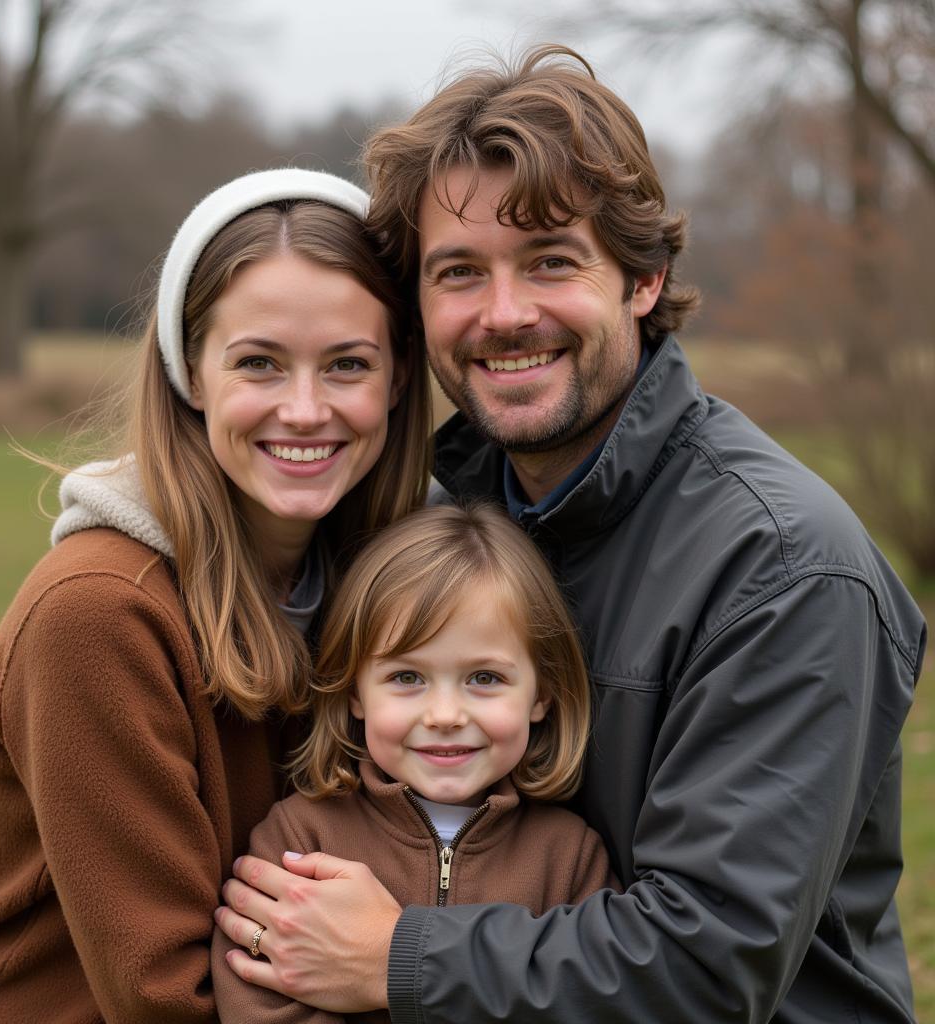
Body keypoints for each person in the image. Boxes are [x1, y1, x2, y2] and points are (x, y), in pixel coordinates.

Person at [216, 46, 928, 1023]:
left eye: (550, 260)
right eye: (459, 271)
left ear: (642, 278)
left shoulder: (782, 565)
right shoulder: (443, 526)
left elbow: (711, 962)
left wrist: (399, 956)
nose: (504, 314)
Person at [0, 168, 431, 1023]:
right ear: (189, 372)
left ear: (401, 378)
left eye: (347, 365)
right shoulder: (98, 614)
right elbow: (163, 1002)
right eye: (259, 363)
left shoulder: (400, 598)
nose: (305, 410)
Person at [211, 502, 617, 1023]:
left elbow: (592, 1003)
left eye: (485, 678)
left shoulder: (571, 860)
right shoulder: (299, 841)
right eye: (407, 678)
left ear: (543, 695)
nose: (445, 715)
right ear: (355, 690)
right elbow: (253, 999)